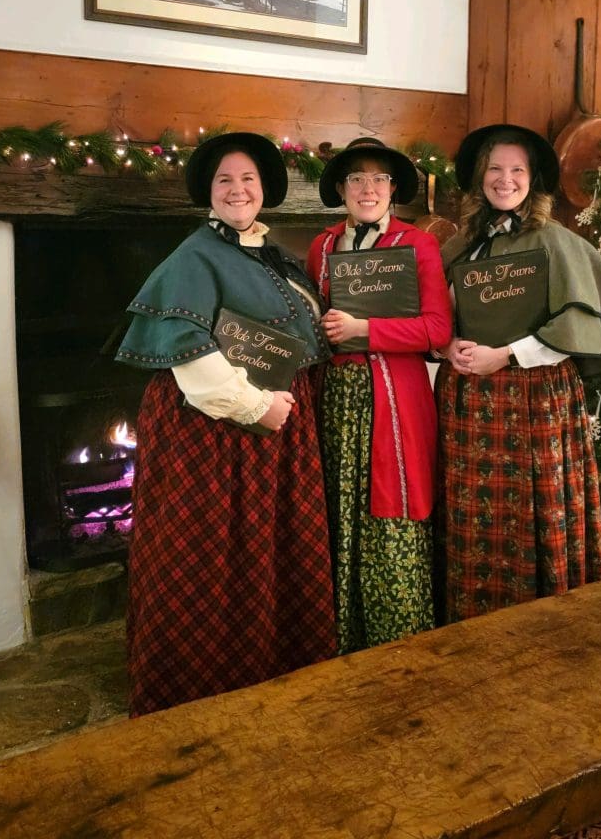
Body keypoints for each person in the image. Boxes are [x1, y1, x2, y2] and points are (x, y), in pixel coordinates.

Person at [116, 131, 336, 716]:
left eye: (248, 180)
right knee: (216, 556)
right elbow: (188, 351)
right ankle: (204, 688)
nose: (238, 190)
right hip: (215, 437)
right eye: (224, 181)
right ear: (208, 193)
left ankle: (273, 666)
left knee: (267, 550)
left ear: (263, 189)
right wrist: (253, 406)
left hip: (271, 432)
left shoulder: (268, 252)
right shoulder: (195, 256)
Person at [436, 124, 601, 624]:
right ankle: (470, 624)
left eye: (516, 171)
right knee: (474, 519)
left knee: (531, 513)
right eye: (495, 170)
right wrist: (447, 347)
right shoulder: (464, 244)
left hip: (534, 400)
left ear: (533, 181)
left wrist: (504, 355)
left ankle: (540, 627)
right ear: (480, 178)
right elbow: (435, 314)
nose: (504, 180)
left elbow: (573, 324)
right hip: (468, 404)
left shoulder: (555, 241)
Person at [307, 138, 452, 654]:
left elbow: (436, 330)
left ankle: (399, 647)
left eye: (378, 179)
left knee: (391, 513)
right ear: (341, 189)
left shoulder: (419, 244)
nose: (367, 189)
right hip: (339, 402)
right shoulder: (323, 246)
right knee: (339, 512)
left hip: (395, 402)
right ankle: (341, 642)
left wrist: (365, 329)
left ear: (393, 189)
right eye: (355, 179)